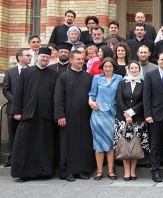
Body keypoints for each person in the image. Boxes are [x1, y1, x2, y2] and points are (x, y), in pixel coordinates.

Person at [10, 47, 60, 181]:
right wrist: (16, 111)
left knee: (45, 145)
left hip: (46, 116)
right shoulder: (26, 72)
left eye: (47, 57)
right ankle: (24, 173)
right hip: (28, 114)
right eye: (43, 56)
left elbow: (56, 97)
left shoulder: (54, 74)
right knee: (25, 143)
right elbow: (18, 93)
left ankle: (44, 172)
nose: (45, 59)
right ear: (37, 56)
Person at [54, 50, 95, 181]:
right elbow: (58, 98)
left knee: (83, 143)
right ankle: (67, 172)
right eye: (78, 59)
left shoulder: (88, 77)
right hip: (67, 117)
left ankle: (81, 170)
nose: (80, 61)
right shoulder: (64, 76)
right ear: (71, 60)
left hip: (85, 117)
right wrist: (60, 115)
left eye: (82, 59)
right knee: (67, 145)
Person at [88, 57, 123, 180]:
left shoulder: (119, 78)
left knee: (110, 143)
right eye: (105, 66)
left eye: (110, 66)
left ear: (114, 67)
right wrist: (90, 103)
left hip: (112, 114)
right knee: (98, 143)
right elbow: (91, 94)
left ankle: (111, 171)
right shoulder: (97, 78)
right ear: (102, 67)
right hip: (98, 114)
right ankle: (99, 171)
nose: (108, 68)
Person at [113, 61, 149, 181]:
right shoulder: (122, 82)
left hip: (137, 119)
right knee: (125, 145)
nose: (134, 70)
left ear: (139, 70)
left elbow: (144, 101)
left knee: (135, 145)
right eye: (132, 68)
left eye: (136, 68)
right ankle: (126, 171)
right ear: (128, 69)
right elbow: (119, 99)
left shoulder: (143, 83)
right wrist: (126, 114)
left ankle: (133, 171)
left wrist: (132, 113)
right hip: (123, 119)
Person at [143, 52, 163, 182]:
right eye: (161, 59)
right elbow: (146, 97)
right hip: (155, 116)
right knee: (155, 145)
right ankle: (155, 171)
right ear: (158, 60)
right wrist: (148, 114)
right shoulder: (150, 75)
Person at [3, 49, 31, 167]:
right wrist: (16, 102)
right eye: (27, 55)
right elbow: (6, 89)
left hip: (27, 109)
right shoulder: (10, 72)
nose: (30, 57)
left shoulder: (31, 71)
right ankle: (12, 158)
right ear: (19, 57)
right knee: (13, 134)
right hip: (12, 109)